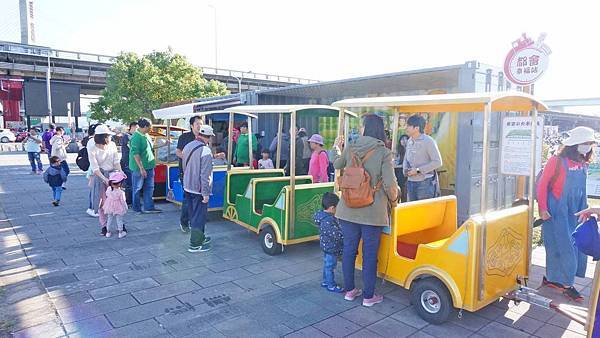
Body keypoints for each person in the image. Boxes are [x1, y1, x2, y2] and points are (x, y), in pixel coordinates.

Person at [333, 113, 399, 307]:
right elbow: (390, 183)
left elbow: (337, 164)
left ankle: (350, 291)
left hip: (347, 208)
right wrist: (394, 199)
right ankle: (369, 297)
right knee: (370, 255)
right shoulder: (384, 152)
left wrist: (337, 149)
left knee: (349, 251)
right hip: (372, 212)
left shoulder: (352, 146)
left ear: (366, 128)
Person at [537, 126, 595, 302]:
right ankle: (568, 285)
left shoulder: (583, 162)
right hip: (557, 211)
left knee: (573, 245)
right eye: (585, 143)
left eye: (590, 143)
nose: (588, 146)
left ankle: (552, 279)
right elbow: (542, 185)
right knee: (563, 246)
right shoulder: (556, 160)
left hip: (577, 210)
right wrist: (542, 209)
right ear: (575, 144)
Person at [182, 125, 214, 253]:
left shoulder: (188, 146)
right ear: (208, 137)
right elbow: (205, 174)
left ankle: (200, 238)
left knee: (192, 214)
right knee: (198, 216)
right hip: (198, 189)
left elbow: (185, 166)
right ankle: (195, 244)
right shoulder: (205, 150)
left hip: (187, 186)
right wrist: (205, 193)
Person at [89, 124, 122, 236]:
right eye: (108, 136)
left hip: (112, 175)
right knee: (102, 203)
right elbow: (95, 168)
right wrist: (104, 179)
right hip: (99, 176)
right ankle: (104, 225)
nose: (109, 138)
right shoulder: (92, 147)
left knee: (116, 200)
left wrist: (120, 172)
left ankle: (120, 225)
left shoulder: (112, 145)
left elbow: (116, 161)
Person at [403, 115, 442, 201]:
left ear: (416, 128)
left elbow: (438, 162)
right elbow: (406, 158)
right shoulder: (409, 141)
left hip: (425, 183)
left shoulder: (428, 141)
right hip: (410, 181)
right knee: (412, 210)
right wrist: (405, 169)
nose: (406, 128)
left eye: (408, 126)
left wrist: (417, 170)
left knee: (424, 212)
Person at [176, 116, 203, 233]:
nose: (199, 126)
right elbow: (178, 152)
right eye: (197, 123)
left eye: (201, 123)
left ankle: (194, 222)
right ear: (192, 125)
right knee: (187, 198)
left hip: (198, 173)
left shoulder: (203, 137)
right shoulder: (184, 137)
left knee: (196, 199)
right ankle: (184, 222)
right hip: (186, 172)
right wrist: (189, 159)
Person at [129, 118, 161, 214]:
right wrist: (141, 168)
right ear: (145, 127)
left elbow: (150, 147)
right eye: (149, 127)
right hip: (139, 168)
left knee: (150, 187)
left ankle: (149, 207)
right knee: (137, 188)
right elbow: (136, 154)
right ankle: (136, 208)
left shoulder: (146, 135)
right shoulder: (136, 137)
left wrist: (163, 145)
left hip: (149, 165)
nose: (150, 129)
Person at [314, 192, 344, 293]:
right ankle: (330, 285)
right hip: (331, 247)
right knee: (330, 266)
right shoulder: (328, 220)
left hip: (326, 245)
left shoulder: (322, 216)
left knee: (327, 264)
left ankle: (325, 281)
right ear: (332, 208)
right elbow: (335, 234)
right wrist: (345, 236)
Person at [102, 172, 128, 239]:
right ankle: (120, 232)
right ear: (120, 183)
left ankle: (108, 232)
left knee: (109, 218)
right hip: (118, 206)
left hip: (109, 205)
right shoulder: (121, 192)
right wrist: (125, 207)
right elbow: (123, 201)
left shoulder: (108, 189)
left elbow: (107, 195)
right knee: (119, 219)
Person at [120, 121, 138, 205]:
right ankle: (129, 201)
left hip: (132, 162)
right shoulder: (126, 136)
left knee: (133, 183)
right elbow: (132, 148)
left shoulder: (133, 136)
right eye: (136, 128)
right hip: (127, 162)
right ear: (132, 127)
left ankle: (133, 201)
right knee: (130, 183)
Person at [85, 124, 99, 217]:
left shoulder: (94, 140)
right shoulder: (92, 141)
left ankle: (94, 207)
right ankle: (92, 208)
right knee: (94, 189)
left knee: (95, 189)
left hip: (96, 168)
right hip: (94, 169)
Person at [395, 135, 409, 202]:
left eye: (405, 139)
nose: (403, 141)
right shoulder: (399, 150)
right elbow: (396, 161)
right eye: (402, 139)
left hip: (406, 171)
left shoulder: (410, 150)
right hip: (399, 169)